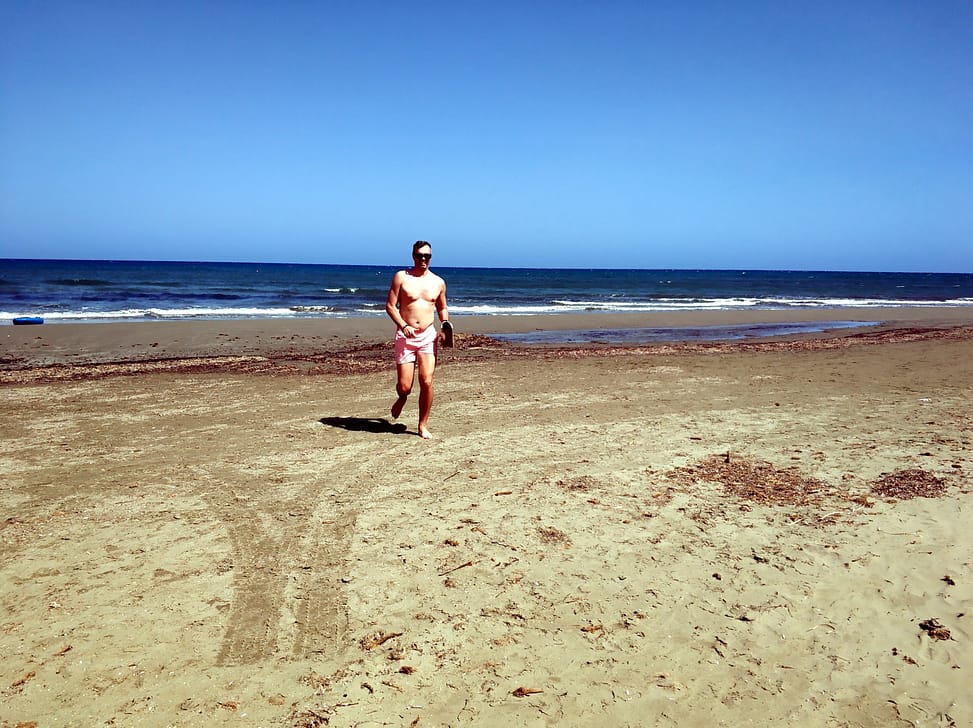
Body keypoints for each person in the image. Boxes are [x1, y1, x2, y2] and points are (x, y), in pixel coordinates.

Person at [385, 240, 449, 439]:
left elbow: (442, 307)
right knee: (405, 387)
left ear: (431, 257)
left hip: (428, 336)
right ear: (413, 256)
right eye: (419, 255)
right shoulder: (401, 277)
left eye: (427, 256)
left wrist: (445, 324)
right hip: (405, 336)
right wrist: (404, 326)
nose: (423, 259)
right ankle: (402, 398)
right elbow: (390, 306)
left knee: (427, 381)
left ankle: (422, 425)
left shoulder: (438, 282)